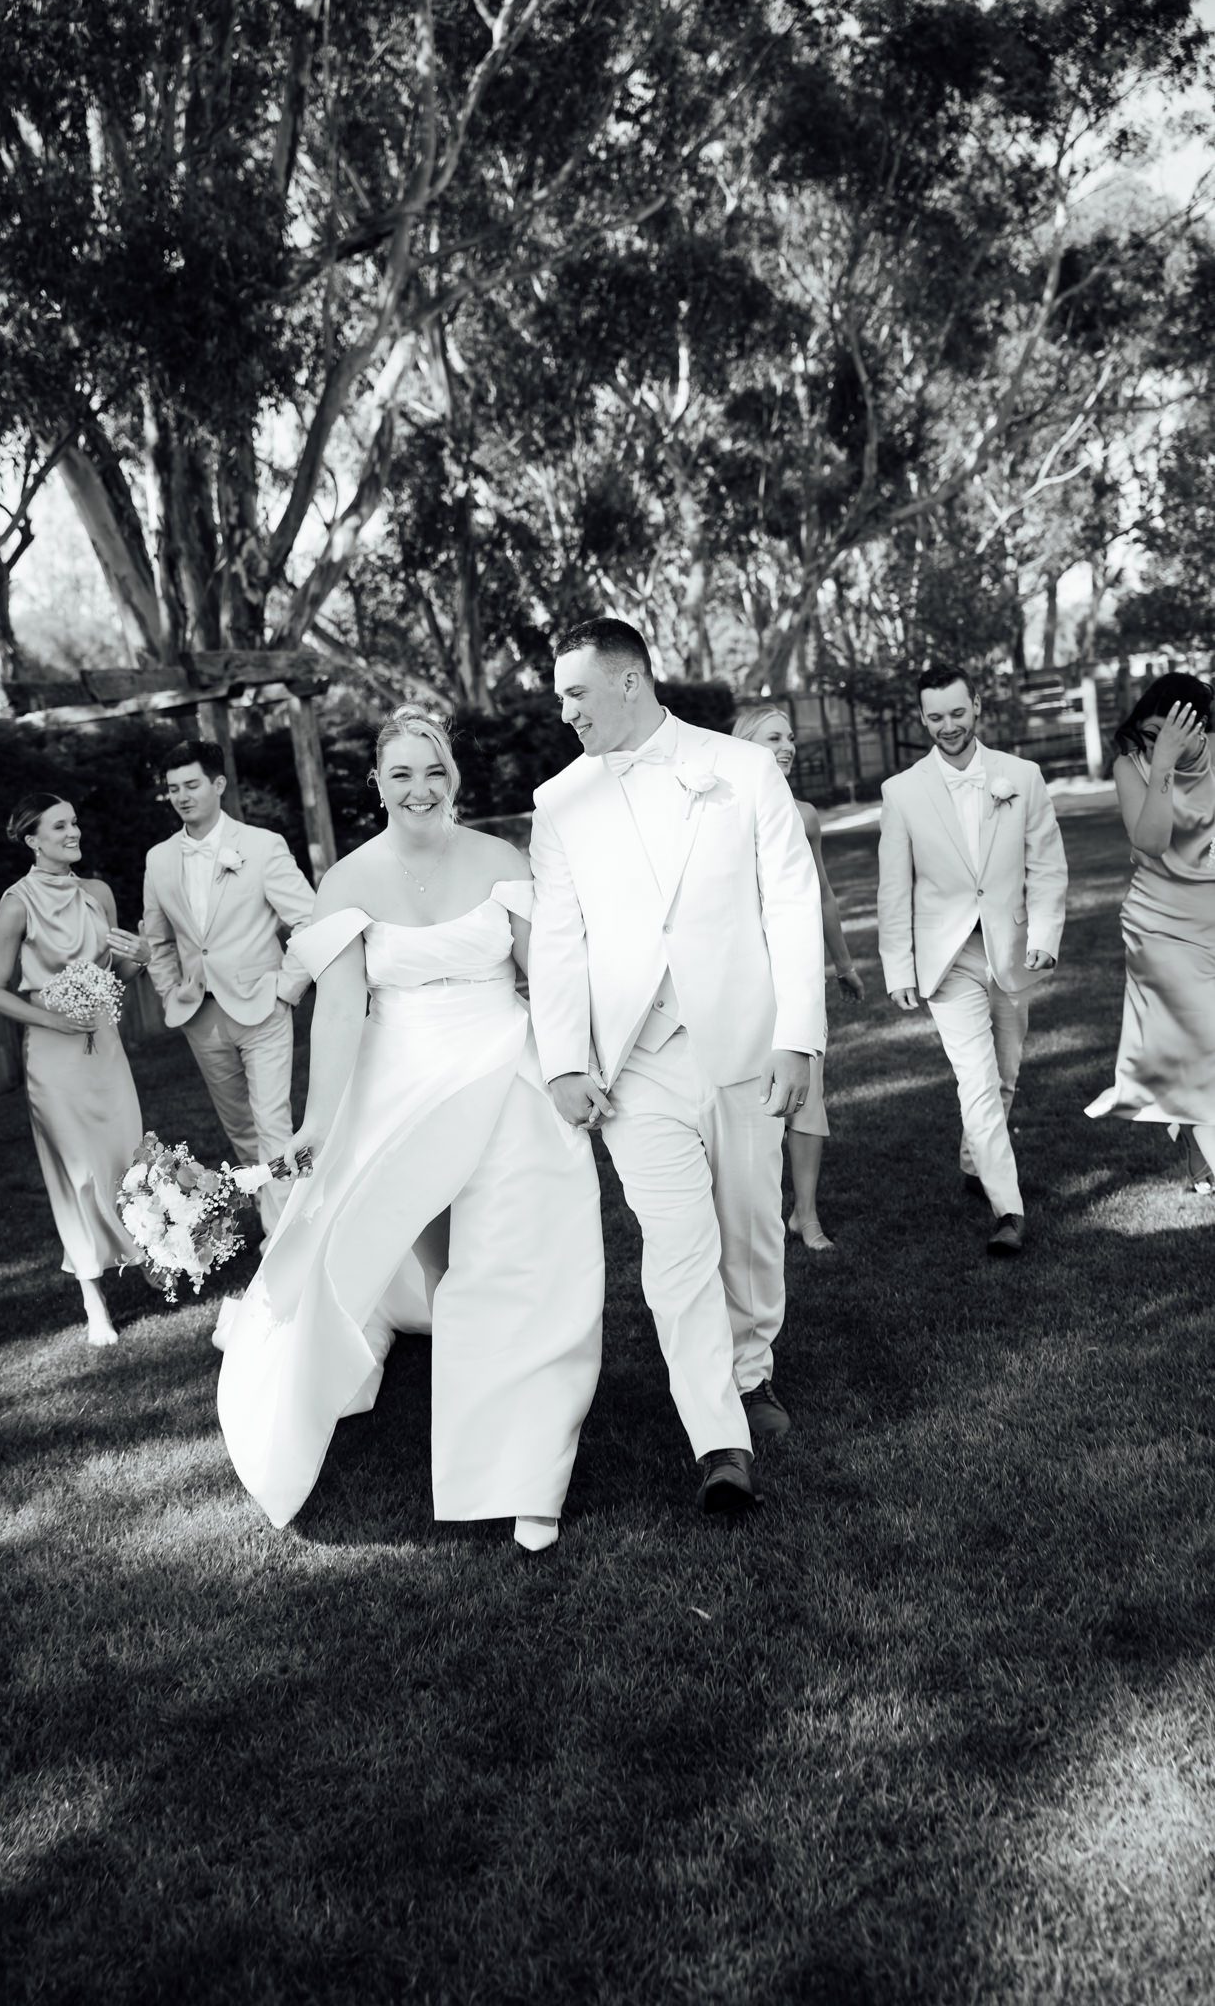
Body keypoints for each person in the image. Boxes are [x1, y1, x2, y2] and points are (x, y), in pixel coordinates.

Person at [216, 707, 603, 1553]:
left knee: (520, 1263)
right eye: (400, 773)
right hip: (397, 1079)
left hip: (504, 1067)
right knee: (383, 1247)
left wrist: (571, 1067)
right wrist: (318, 1121)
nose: (419, 788)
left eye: (434, 771)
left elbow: (548, 977)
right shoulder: (347, 879)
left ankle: (528, 1471)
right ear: (376, 784)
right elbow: (340, 1008)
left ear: (453, 777)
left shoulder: (500, 860)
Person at [528, 618, 825, 1517]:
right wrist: (562, 1061)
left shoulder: (742, 770)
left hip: (741, 1042)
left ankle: (752, 1366)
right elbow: (557, 940)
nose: (565, 711)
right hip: (633, 1063)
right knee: (677, 1248)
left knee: (751, 1226)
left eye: (575, 692)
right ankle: (718, 1436)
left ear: (629, 682)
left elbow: (791, 902)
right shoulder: (558, 801)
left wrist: (798, 1037)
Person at [877, 661, 1069, 1257]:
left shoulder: (1022, 776)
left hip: (1009, 950)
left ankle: (973, 1159)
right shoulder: (901, 792)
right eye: (936, 716)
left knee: (1006, 1074)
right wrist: (899, 967)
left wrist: (1045, 935)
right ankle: (1009, 1209)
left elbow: (1047, 865)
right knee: (977, 1081)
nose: (949, 726)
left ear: (977, 706)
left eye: (958, 712)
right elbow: (893, 889)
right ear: (922, 718)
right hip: (947, 959)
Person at [0, 794, 150, 1345]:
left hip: (105, 1047)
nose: (73, 832)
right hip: (54, 1058)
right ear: (33, 840)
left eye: (74, 822)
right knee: (76, 1173)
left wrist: (142, 955)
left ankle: (150, 1251)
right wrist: (51, 1019)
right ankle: (92, 1296)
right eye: (59, 826)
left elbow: (117, 974)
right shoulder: (16, 904)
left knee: (127, 1154)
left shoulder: (98, 893)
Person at [141, 741, 316, 1238]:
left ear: (218, 784)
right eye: (173, 788)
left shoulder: (262, 845)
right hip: (200, 1015)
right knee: (240, 1128)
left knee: (273, 1124)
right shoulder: (158, 859)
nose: (181, 796)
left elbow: (310, 919)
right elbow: (158, 941)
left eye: (191, 785)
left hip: (264, 1009)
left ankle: (283, 1242)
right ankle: (275, 1210)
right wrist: (170, 992)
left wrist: (287, 987)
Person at [732, 706, 865, 1250]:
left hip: (796, 972)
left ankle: (805, 1214)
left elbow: (823, 896)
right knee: (746, 1096)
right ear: (746, 746)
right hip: (741, 976)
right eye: (773, 738)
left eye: (789, 737)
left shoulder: (805, 816)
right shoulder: (723, 814)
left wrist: (844, 965)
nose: (787, 746)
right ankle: (752, 1214)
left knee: (808, 1091)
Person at [1085, 673, 1215, 1189]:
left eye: (1171, 733)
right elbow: (1152, 840)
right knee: (1203, 1046)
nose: (1157, 742)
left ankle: (1193, 1134)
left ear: (1199, 727)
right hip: (1160, 927)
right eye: (1152, 732)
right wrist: (1162, 765)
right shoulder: (1132, 765)